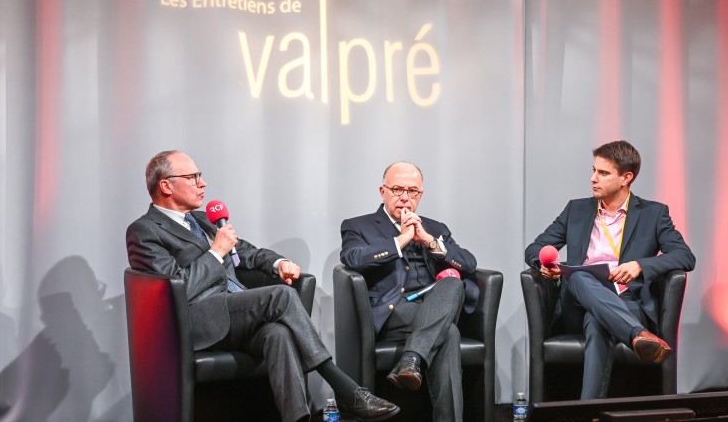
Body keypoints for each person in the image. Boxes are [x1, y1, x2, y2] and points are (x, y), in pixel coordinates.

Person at [126, 150, 399, 422]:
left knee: (277, 333)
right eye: (192, 176)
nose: (202, 183)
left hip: (237, 315)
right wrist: (215, 253)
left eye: (200, 175)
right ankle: (345, 389)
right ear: (166, 185)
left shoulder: (201, 220)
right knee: (280, 295)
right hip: (198, 322)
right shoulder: (145, 231)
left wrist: (278, 263)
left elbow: (246, 251)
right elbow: (176, 289)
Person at [524, 140, 696, 400]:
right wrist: (544, 264)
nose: (593, 179)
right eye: (593, 170)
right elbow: (535, 248)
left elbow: (685, 256)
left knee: (598, 321)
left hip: (626, 300)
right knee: (580, 276)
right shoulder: (576, 209)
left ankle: (586, 412)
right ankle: (638, 335)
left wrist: (640, 265)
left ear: (626, 177)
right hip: (577, 301)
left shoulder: (653, 213)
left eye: (603, 173)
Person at [339, 162, 479, 422]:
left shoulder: (435, 228)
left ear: (421, 195)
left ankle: (411, 358)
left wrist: (427, 240)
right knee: (449, 332)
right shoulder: (358, 225)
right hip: (394, 311)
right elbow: (353, 258)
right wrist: (401, 240)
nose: (405, 196)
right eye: (397, 189)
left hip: (435, 305)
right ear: (383, 191)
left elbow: (469, 263)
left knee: (452, 283)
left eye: (412, 191)